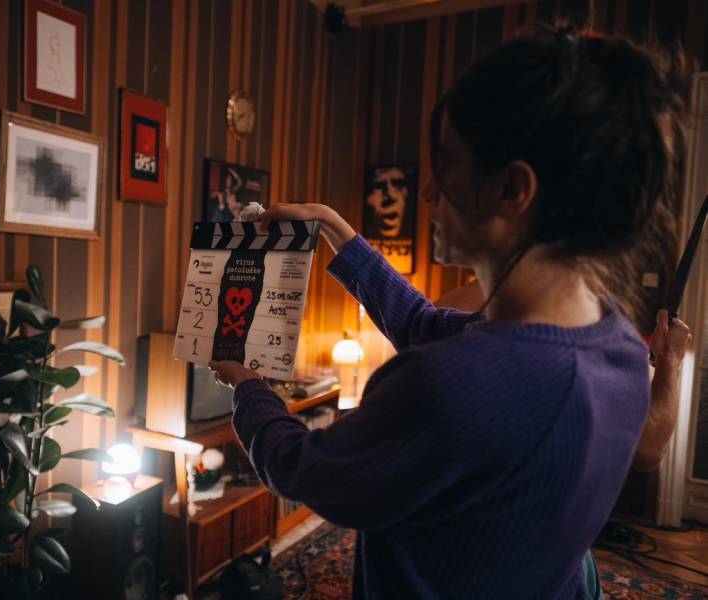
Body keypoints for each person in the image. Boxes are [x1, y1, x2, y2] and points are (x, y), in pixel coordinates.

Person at [210, 24, 688, 599]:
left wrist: (247, 384)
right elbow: (426, 326)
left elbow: (303, 469)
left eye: (448, 166)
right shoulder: (618, 344)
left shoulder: (451, 385)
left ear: (512, 189)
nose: (429, 193)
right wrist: (337, 231)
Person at [435, 281, 693, 472]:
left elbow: (649, 449)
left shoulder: (602, 329)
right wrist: (669, 361)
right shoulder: (599, 328)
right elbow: (650, 449)